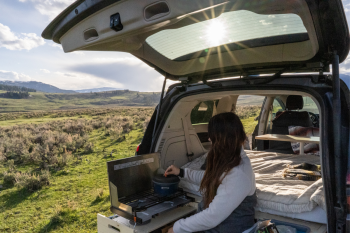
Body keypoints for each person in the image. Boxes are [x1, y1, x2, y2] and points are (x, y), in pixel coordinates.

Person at [165, 112, 257, 233]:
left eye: (212, 135)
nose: (209, 138)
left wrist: (176, 228)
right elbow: (212, 178)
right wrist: (182, 172)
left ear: (222, 138)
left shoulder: (238, 174)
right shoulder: (231, 159)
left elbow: (211, 217)